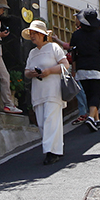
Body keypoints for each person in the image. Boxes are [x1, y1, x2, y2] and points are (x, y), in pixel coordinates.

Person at [22, 20, 69, 164]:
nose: (32, 36)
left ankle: (51, 152)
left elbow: (65, 65)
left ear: (42, 34)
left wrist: (49, 71)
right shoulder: (32, 53)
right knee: (43, 122)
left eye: (35, 33)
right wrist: (33, 73)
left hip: (53, 90)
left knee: (50, 120)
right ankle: (55, 149)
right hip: (39, 92)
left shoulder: (54, 47)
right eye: (31, 33)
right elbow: (26, 72)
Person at [68, 8, 100, 131]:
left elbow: (73, 53)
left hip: (81, 68)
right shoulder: (99, 33)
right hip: (96, 66)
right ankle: (91, 118)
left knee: (89, 95)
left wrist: (74, 69)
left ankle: (96, 121)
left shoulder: (76, 35)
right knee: (95, 95)